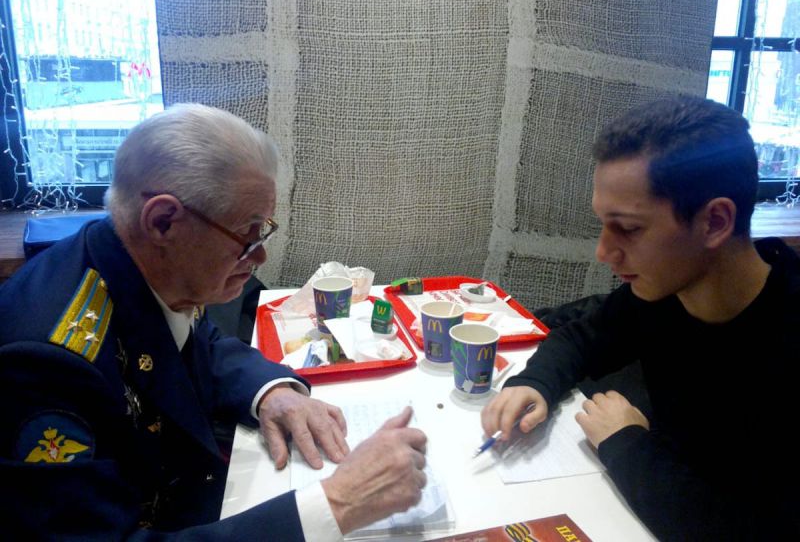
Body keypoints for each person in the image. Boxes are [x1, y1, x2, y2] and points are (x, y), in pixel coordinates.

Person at [0, 104, 427, 540]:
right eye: (247, 234)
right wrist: (338, 505)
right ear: (163, 222)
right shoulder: (46, 364)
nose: (260, 255)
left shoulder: (141, 264)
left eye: (264, 231)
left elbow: (196, 340)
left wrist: (272, 392)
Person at [481, 96, 800, 540]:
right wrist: (533, 383)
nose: (603, 252)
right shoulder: (662, 293)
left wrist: (626, 443)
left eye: (629, 228)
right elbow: (580, 337)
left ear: (715, 222)